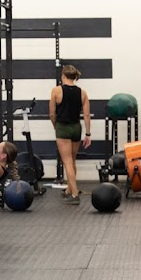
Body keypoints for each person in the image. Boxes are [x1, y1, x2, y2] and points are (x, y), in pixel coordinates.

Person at [49, 65, 91, 204]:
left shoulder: (56, 90)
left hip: (63, 127)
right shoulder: (82, 93)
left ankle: (74, 194)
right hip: (76, 128)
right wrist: (88, 134)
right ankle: (69, 189)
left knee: (67, 161)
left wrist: (56, 127)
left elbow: (52, 114)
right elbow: (86, 115)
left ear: (63, 76)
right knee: (72, 161)